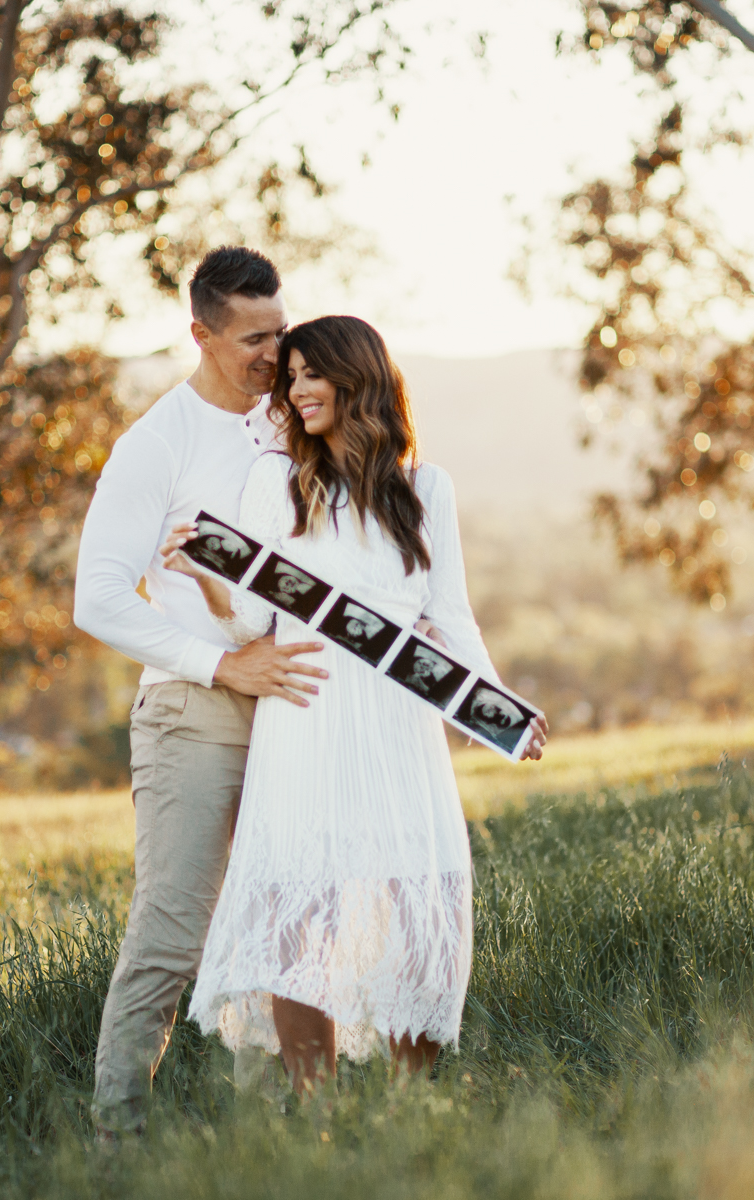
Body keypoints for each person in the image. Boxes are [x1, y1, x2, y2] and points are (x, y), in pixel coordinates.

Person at [159, 315, 549, 1094]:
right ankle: (318, 1111)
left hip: (400, 724)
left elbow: (452, 616)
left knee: (414, 906)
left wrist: (499, 707)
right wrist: (204, 574)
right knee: (304, 911)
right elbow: (250, 616)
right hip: (309, 713)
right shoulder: (278, 482)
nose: (296, 390)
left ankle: (412, 1111)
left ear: (358, 377)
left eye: (311, 374)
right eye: (290, 377)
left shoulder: (423, 490)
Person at [72, 247, 328, 1140]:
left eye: (280, 330)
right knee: (172, 934)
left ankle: (278, 1139)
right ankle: (118, 1141)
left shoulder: (295, 422)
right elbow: (97, 596)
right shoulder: (156, 443)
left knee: (286, 931)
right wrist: (222, 666)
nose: (274, 351)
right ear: (202, 335)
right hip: (193, 714)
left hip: (292, 714)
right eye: (254, 338)